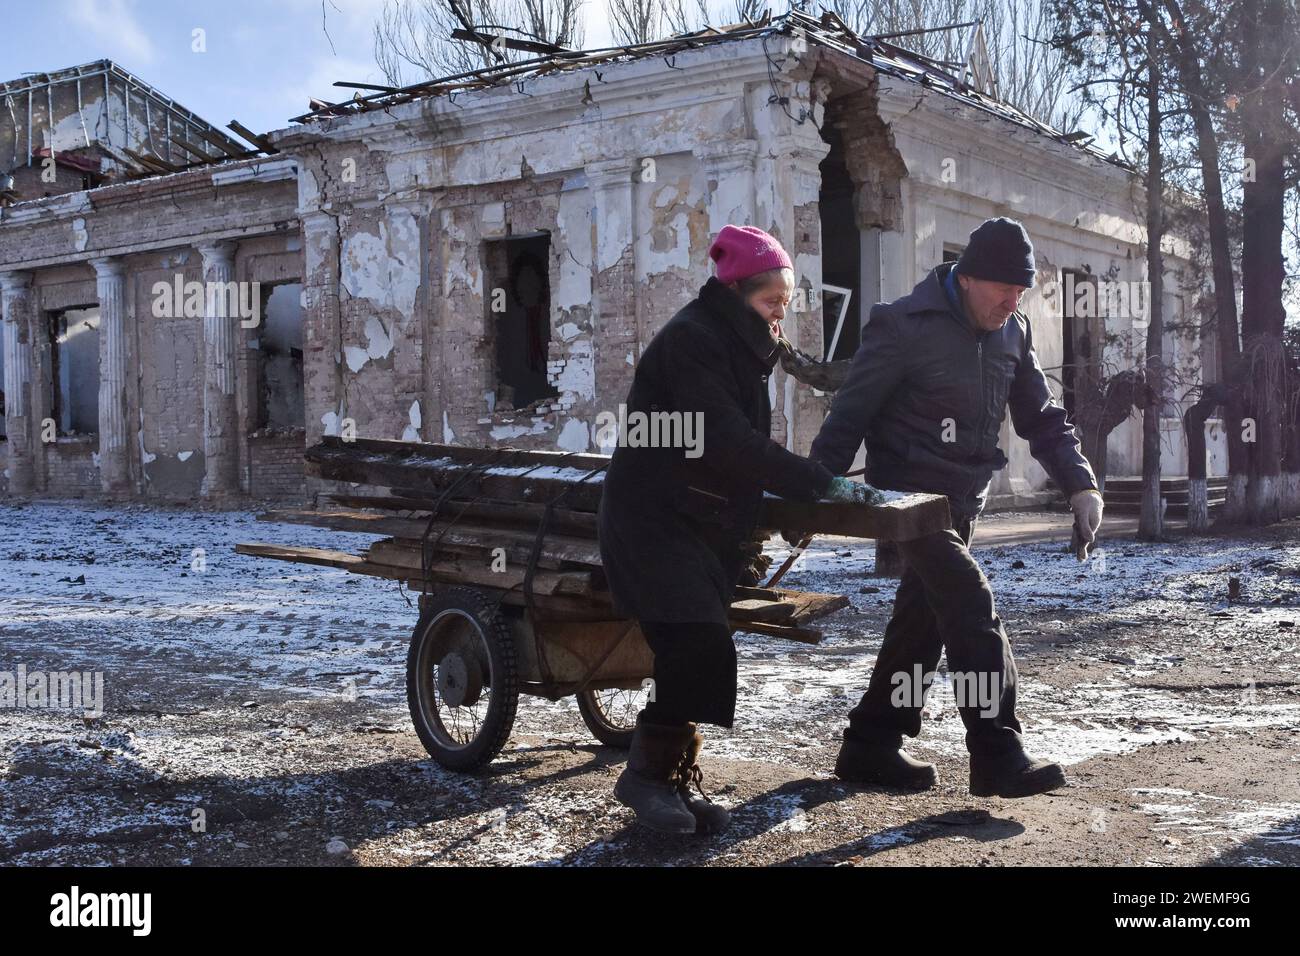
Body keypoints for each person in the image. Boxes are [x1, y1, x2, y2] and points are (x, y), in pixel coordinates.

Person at [809, 217, 1105, 799]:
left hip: (962, 501)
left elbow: (1041, 419)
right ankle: (997, 753)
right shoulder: (902, 325)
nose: (1012, 300)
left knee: (922, 623)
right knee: (970, 603)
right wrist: (811, 493)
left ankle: (871, 742)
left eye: (1021, 291)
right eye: (1003, 288)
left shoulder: (1012, 332)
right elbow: (850, 414)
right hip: (907, 503)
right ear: (967, 277)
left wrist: (1080, 485)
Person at [598, 224, 873, 834]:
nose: (782, 312)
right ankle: (645, 778)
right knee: (696, 643)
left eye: (785, 299)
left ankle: (666, 777)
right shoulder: (694, 340)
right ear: (738, 292)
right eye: (772, 300)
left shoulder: (739, 344)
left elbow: (736, 452)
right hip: (652, 520)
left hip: (696, 522)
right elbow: (726, 442)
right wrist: (815, 481)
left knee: (696, 649)